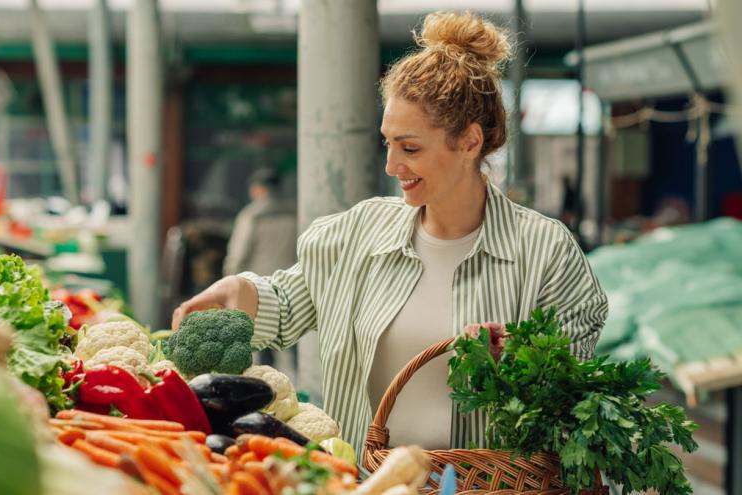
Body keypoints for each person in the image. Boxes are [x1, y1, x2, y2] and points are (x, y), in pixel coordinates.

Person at [172, 12, 607, 455]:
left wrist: (518, 361)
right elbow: (285, 304)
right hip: (366, 482)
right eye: (388, 142)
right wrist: (239, 291)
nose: (392, 166)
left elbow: (579, 395)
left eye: (411, 147)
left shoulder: (546, 252)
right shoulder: (356, 234)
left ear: (470, 142)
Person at [223, 167, 297, 368]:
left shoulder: (252, 216)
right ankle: (300, 384)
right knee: (294, 341)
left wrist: (229, 282)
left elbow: (237, 255)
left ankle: (273, 389)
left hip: (261, 288)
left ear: (259, 190)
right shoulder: (295, 213)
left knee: (265, 344)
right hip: (292, 286)